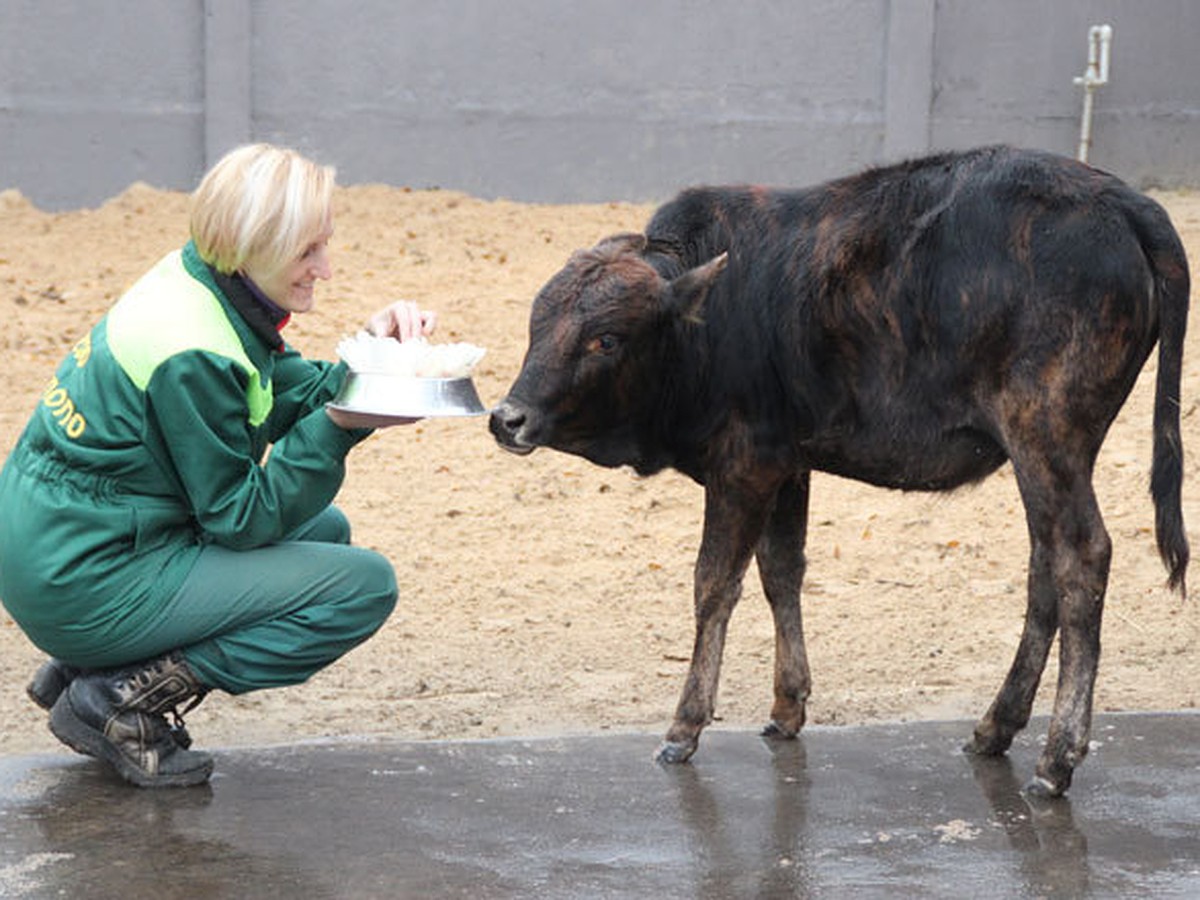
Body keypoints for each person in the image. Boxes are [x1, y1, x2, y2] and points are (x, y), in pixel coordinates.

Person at [0, 143, 435, 788]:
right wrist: (339, 428)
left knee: (326, 534)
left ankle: (90, 672)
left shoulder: (198, 281)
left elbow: (271, 392)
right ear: (255, 244)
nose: (327, 268)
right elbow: (239, 517)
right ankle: (120, 698)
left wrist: (368, 360)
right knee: (361, 587)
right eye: (308, 250)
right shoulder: (193, 349)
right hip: (80, 577)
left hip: (61, 544)